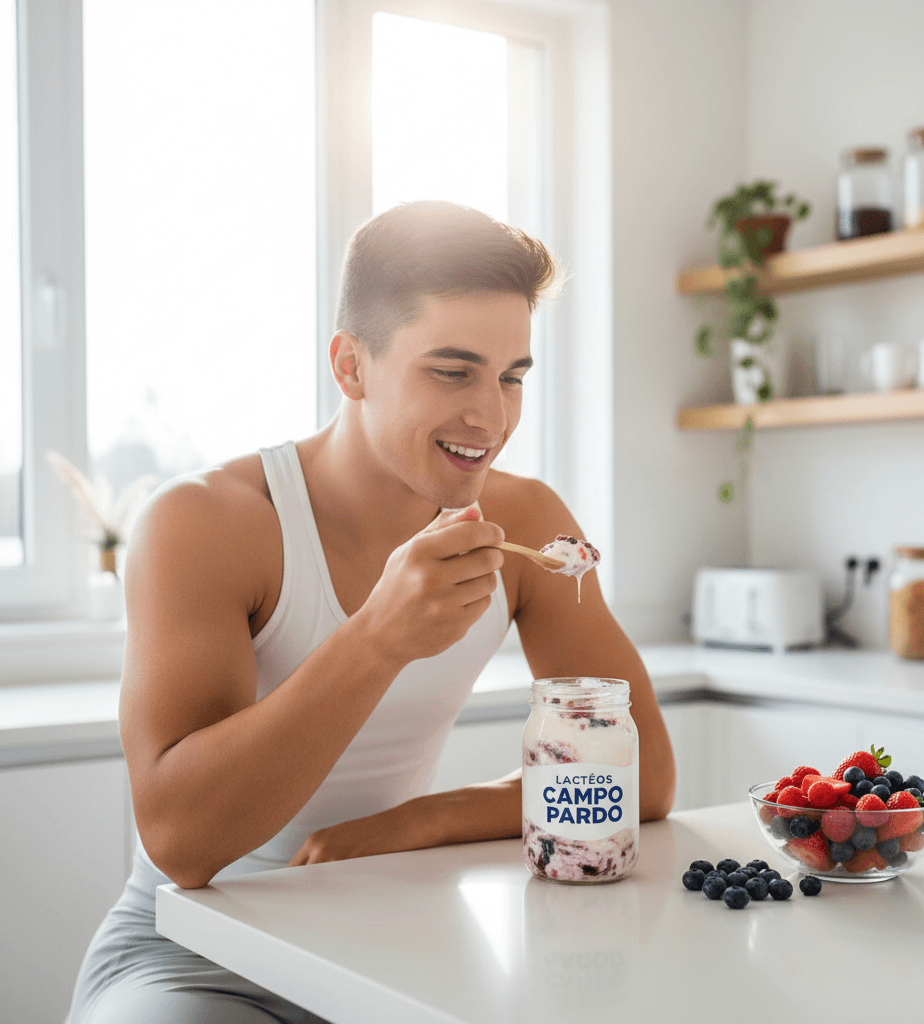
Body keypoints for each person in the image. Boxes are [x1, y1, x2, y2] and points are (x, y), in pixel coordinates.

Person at [66, 200, 675, 1023]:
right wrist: (378, 639)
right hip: (196, 955)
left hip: (400, 936)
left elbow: (642, 776)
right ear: (351, 367)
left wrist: (423, 820)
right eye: (452, 371)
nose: (491, 418)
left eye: (512, 376)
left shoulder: (529, 525)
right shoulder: (207, 523)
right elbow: (183, 845)